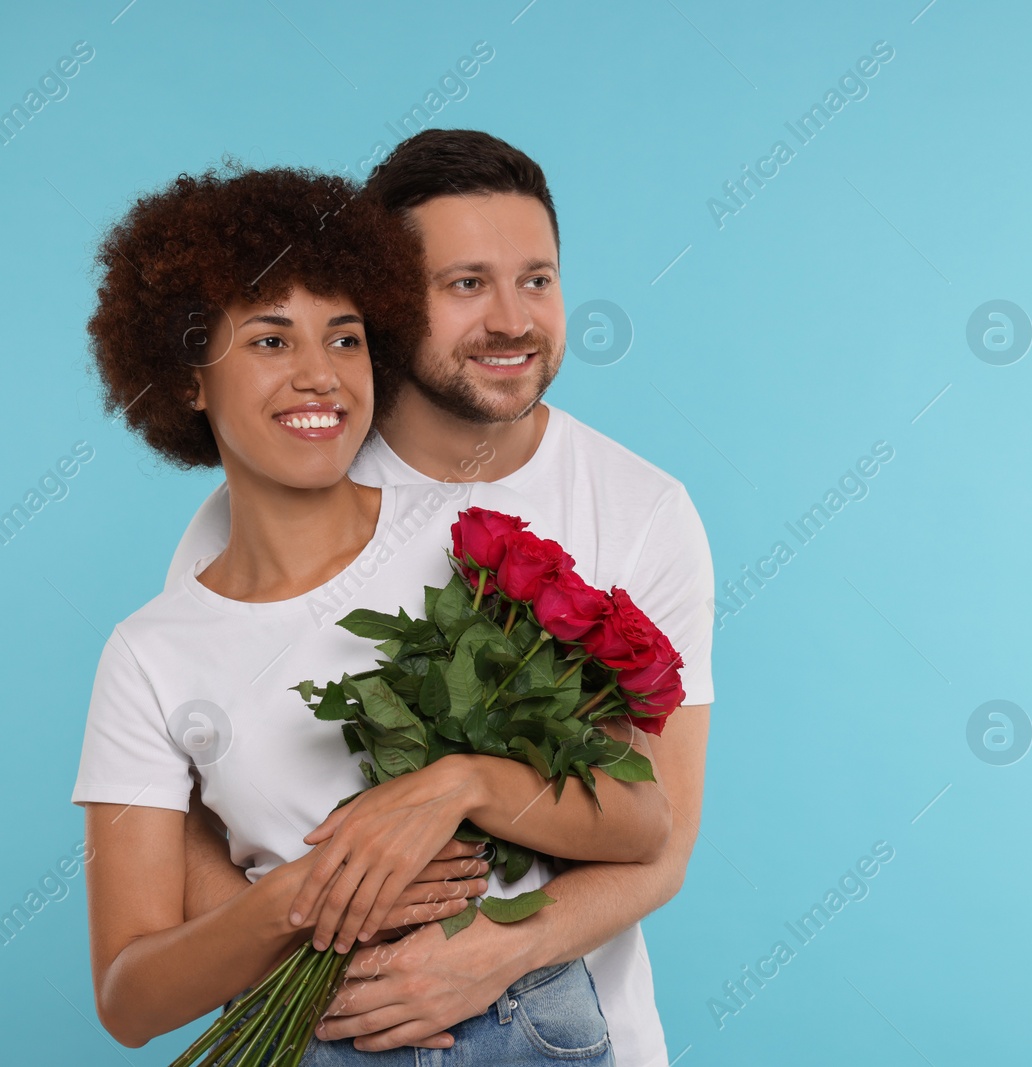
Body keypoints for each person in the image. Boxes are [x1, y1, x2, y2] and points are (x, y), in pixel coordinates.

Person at [73, 163, 675, 1064]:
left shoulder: (476, 554)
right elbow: (129, 999)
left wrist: (462, 783)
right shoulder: (149, 654)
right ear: (187, 377)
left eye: (346, 339)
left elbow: (640, 821)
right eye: (272, 342)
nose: (320, 376)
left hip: (530, 1028)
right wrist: (311, 893)